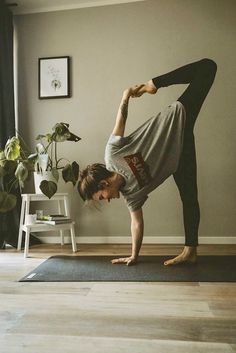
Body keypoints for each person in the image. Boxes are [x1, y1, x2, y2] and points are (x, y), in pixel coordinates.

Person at [78, 58, 217, 266]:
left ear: (103, 184)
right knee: (190, 199)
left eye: (102, 196)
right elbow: (136, 223)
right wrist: (134, 256)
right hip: (179, 157)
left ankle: (155, 83)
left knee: (208, 67)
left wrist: (126, 95)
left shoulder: (112, 154)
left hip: (175, 120)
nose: (107, 200)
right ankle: (190, 252)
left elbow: (121, 120)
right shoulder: (131, 196)